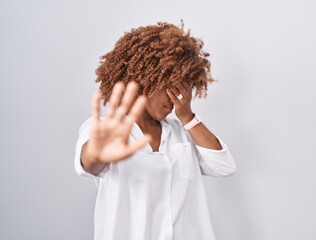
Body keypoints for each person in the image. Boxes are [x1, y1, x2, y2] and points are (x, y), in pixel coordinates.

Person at [74, 21, 236, 240]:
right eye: (173, 87)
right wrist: (97, 152)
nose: (178, 98)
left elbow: (224, 166)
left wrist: (187, 115)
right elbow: (89, 163)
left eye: (185, 89)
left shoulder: (183, 131)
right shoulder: (105, 128)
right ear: (146, 79)